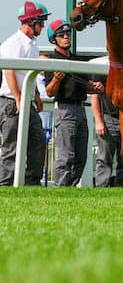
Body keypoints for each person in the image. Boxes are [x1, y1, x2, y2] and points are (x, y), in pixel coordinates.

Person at [41, 19, 103, 187]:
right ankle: (61, 190)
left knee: (81, 157)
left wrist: (95, 87)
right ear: (54, 39)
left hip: (81, 110)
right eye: (62, 35)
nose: (67, 37)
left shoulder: (78, 61)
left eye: (68, 33)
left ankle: (70, 188)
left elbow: (84, 86)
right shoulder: (52, 61)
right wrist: (55, 79)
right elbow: (49, 91)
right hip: (65, 110)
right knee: (66, 156)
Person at [0, 1, 50, 186]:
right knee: (11, 147)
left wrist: (35, 94)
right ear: (32, 22)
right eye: (41, 22)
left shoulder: (33, 45)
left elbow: (31, 72)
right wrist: (20, 98)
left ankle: (32, 183)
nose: (43, 26)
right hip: (11, 102)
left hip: (25, 102)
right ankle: (5, 185)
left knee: (37, 143)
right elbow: (9, 70)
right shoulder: (13, 43)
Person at [91, 71, 123, 187]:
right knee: (105, 158)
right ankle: (102, 188)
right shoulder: (101, 68)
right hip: (108, 117)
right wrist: (99, 121)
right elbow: (94, 96)